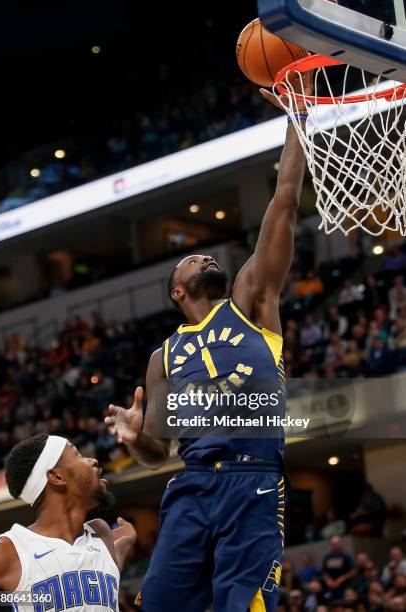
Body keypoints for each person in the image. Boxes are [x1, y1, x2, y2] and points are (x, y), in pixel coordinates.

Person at [105, 74, 313, 611]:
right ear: (178, 289)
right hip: (192, 486)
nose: (206, 257)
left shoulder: (250, 299)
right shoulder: (163, 357)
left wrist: (298, 120)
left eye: (208, 257)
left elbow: (283, 203)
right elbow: (158, 451)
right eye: (193, 259)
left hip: (253, 480)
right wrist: (132, 435)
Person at [0, 434, 136, 611]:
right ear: (56, 476)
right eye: (78, 455)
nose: (93, 461)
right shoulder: (5, 553)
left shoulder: (102, 535)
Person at [322, 536, 355, 601]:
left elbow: (352, 571)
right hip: (331, 586)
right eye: (334, 544)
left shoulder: (346, 556)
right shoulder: (328, 557)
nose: (335, 545)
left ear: (341, 543)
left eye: (337, 543)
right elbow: (324, 572)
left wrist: (340, 580)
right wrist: (328, 580)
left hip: (344, 585)